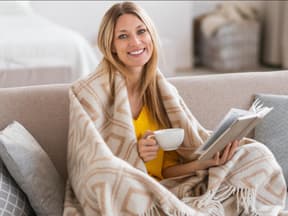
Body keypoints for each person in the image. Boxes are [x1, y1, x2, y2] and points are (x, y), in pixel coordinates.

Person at [64, 2, 287, 215]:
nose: (135, 42)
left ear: (151, 34)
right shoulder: (90, 93)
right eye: (123, 36)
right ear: (111, 45)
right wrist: (134, 154)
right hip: (128, 190)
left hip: (169, 188)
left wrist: (207, 162)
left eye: (141, 31)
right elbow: (89, 164)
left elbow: (167, 170)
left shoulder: (163, 94)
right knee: (106, 176)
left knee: (255, 153)